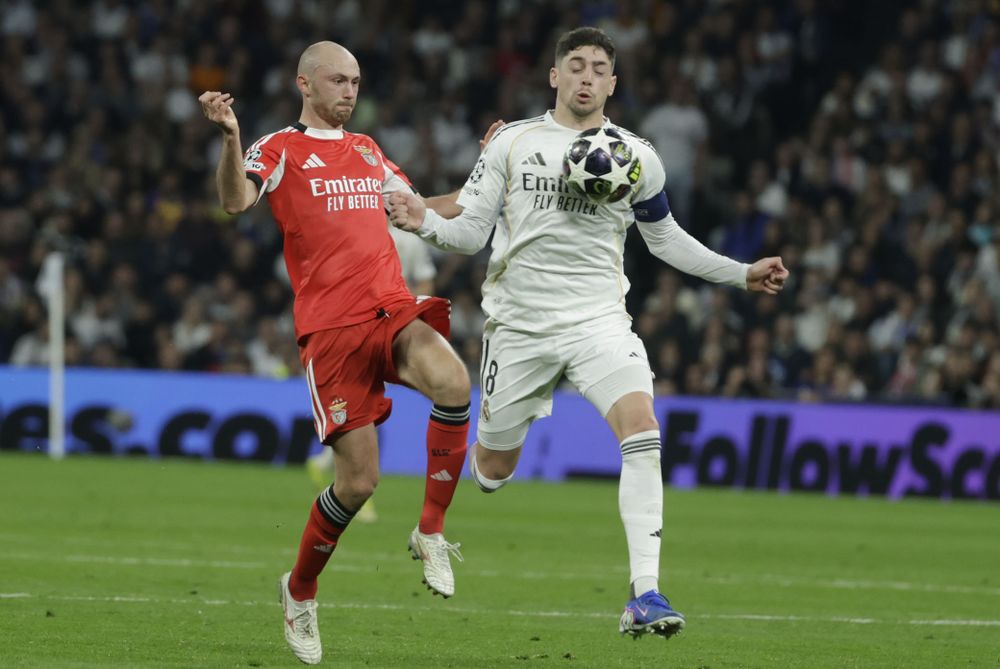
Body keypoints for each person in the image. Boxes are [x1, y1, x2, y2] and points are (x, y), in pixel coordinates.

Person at [390, 27, 789, 640]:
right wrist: (423, 222)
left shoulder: (637, 156)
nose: (585, 76)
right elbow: (471, 231)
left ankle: (645, 594)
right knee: (494, 468)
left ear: (612, 83)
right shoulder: (513, 143)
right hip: (519, 327)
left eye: (598, 68)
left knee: (643, 427)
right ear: (553, 76)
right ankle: (477, 471)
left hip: (600, 321)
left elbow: (664, 239)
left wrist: (740, 274)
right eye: (574, 65)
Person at [199, 41, 474, 665]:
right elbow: (235, 201)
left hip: (391, 308)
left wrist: (491, 176)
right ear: (305, 83)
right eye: (338, 80)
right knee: (359, 483)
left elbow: (418, 209)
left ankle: (430, 529)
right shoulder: (279, 148)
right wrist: (229, 137)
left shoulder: (368, 150)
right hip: (331, 332)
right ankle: (299, 591)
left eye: (356, 81)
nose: (350, 91)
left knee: (455, 384)